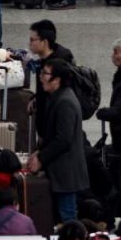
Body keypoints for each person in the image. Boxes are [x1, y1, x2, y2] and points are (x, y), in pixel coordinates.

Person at [25, 59, 88, 222]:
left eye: (45, 73)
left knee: (68, 217)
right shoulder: (57, 97)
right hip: (60, 170)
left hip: (66, 173)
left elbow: (63, 139)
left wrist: (41, 157)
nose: (41, 77)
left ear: (57, 79)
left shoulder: (65, 101)